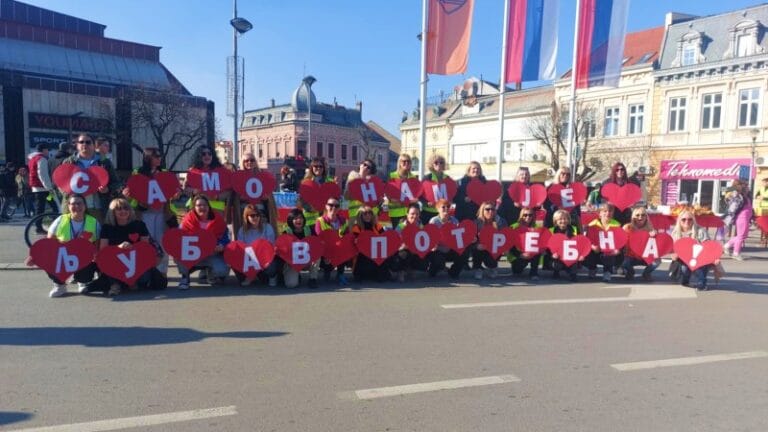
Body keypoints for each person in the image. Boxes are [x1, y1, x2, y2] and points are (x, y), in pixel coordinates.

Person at [25, 194, 100, 297]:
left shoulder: (93, 222)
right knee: (48, 258)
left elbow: (97, 243)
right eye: (73, 204)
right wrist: (34, 257)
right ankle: (59, 285)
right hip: (63, 256)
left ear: (85, 206)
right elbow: (48, 242)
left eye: (79, 203)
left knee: (90, 261)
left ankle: (83, 282)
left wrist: (96, 255)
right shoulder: (61, 220)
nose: (77, 206)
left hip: (82, 256)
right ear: (68, 206)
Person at [122, 148, 178, 275]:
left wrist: (176, 193)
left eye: (160, 156)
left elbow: (172, 190)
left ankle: (161, 272)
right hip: (144, 213)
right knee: (146, 241)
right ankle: (145, 270)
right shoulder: (138, 172)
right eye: (156, 156)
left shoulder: (164, 172)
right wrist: (127, 194)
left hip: (162, 213)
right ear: (148, 158)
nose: (159, 158)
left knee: (162, 241)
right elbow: (132, 190)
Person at [96, 198, 165, 296]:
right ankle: (115, 284)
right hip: (116, 264)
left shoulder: (139, 225)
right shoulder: (107, 228)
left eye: (126, 208)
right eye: (119, 209)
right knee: (106, 260)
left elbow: (146, 248)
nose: (123, 211)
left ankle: (132, 281)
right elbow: (103, 251)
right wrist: (118, 247)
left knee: (145, 280)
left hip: (135, 262)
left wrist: (132, 247)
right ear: (112, 212)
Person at [59, 133, 121, 221]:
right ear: (77, 145)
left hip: (97, 207)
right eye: (81, 142)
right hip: (75, 207)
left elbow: (116, 183)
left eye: (88, 142)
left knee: (97, 233)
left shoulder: (104, 162)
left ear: (93, 145)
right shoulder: (68, 162)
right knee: (75, 234)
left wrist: (108, 189)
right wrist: (68, 193)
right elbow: (60, 184)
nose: (84, 144)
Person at [177, 195, 230, 290]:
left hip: (212, 254)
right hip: (192, 255)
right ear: (194, 208)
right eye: (199, 205)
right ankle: (185, 276)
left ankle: (210, 272)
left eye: (205, 205)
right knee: (178, 253)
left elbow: (225, 238)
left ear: (209, 206)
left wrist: (222, 245)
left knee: (222, 271)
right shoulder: (186, 222)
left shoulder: (218, 220)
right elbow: (178, 239)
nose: (202, 207)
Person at [230, 151, 278, 244]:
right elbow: (234, 198)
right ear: (242, 162)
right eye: (246, 160)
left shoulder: (263, 176)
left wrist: (266, 198)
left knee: (263, 232)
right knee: (245, 234)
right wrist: (239, 199)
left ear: (255, 162)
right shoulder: (238, 178)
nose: (249, 162)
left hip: (261, 212)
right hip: (243, 213)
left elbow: (269, 197)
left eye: (252, 160)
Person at [670, 210, 717, 290]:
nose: (687, 221)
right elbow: (672, 250)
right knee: (684, 269)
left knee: (698, 267)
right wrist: (673, 255)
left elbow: (708, 246)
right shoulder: (675, 233)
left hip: (700, 258)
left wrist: (715, 258)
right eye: (684, 219)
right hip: (683, 259)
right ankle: (685, 280)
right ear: (679, 220)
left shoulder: (700, 231)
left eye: (690, 219)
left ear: (693, 220)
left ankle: (702, 283)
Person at [236, 204, 278, 287]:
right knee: (236, 261)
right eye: (252, 215)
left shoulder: (267, 227)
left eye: (257, 215)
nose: (255, 217)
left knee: (271, 266)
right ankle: (251, 275)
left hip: (265, 257)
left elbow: (271, 247)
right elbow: (241, 248)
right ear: (246, 217)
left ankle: (272, 276)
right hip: (250, 258)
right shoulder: (242, 230)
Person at [184, 145, 231, 220]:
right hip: (198, 210)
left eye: (209, 153)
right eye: (204, 154)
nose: (207, 156)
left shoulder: (222, 171)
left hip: (217, 211)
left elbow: (229, 190)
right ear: (199, 156)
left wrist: (218, 197)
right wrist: (193, 191)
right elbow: (186, 189)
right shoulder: (193, 171)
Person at [428, 198, 469, 279]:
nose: (446, 209)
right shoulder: (434, 221)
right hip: (438, 250)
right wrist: (434, 246)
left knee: (465, 252)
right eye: (443, 207)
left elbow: (459, 236)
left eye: (448, 206)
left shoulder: (454, 220)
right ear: (438, 209)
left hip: (451, 249)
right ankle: (433, 270)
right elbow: (430, 238)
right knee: (436, 263)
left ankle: (453, 272)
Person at [280, 208, 320, 288]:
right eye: (295, 218)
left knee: (317, 254)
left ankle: (313, 278)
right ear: (291, 220)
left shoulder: (310, 230)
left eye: (301, 218)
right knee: (291, 285)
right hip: (292, 263)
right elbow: (282, 251)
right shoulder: (286, 232)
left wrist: (313, 257)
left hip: (307, 260)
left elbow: (316, 245)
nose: (299, 220)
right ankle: (296, 275)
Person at [314, 197, 350, 286]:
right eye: (331, 205)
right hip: (325, 250)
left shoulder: (344, 221)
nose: (333, 208)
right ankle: (327, 271)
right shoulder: (320, 221)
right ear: (326, 206)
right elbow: (319, 239)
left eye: (336, 206)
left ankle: (340, 273)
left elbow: (347, 236)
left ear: (339, 208)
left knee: (345, 248)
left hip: (339, 249)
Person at [585, 203, 621, 281]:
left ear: (613, 213)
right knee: (588, 252)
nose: (607, 213)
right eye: (605, 211)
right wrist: (592, 246)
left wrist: (617, 249)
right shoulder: (592, 225)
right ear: (600, 213)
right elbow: (588, 239)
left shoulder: (617, 226)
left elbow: (619, 240)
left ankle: (607, 271)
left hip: (608, 250)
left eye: (610, 211)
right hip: (596, 249)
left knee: (610, 254)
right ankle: (592, 268)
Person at [621, 207, 659, 281]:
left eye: (643, 215)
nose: (640, 217)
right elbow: (620, 241)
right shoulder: (627, 228)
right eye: (637, 215)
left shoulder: (651, 229)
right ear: (633, 217)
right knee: (623, 262)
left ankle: (646, 273)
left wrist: (654, 237)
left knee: (656, 262)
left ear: (646, 217)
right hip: (630, 256)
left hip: (645, 257)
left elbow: (656, 247)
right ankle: (630, 272)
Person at [393, 203, 429, 282]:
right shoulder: (400, 226)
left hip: (415, 251)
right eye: (412, 214)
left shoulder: (421, 226)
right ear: (407, 214)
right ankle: (401, 271)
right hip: (403, 250)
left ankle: (410, 268)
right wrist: (402, 246)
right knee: (403, 254)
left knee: (424, 261)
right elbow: (394, 243)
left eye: (417, 214)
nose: (415, 216)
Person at [472, 200, 507, 280]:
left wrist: (504, 247)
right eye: (487, 209)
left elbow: (506, 236)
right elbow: (471, 239)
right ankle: (478, 268)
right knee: (477, 249)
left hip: (494, 249)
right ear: (482, 211)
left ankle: (492, 267)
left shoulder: (501, 222)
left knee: (491, 262)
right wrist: (476, 245)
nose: (490, 211)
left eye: (492, 209)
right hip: (481, 249)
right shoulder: (476, 223)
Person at [300, 157, 337, 229]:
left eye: (321, 166)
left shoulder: (330, 182)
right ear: (312, 168)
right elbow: (302, 200)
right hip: (310, 220)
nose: (318, 168)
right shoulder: (306, 182)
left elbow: (335, 200)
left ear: (324, 168)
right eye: (316, 166)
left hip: (325, 219)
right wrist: (312, 209)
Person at [28, 144, 57, 232]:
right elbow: (43, 174)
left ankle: (38, 227)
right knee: (55, 206)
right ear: (44, 150)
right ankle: (55, 226)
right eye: (47, 149)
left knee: (39, 208)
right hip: (44, 189)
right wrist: (49, 188)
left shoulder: (32, 159)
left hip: (37, 188)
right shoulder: (42, 159)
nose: (48, 152)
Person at [508, 207, 541, 280]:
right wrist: (520, 255)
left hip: (532, 253)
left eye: (530, 215)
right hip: (518, 255)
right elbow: (510, 245)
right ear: (521, 216)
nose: (528, 217)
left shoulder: (537, 228)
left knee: (537, 250)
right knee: (517, 271)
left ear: (533, 216)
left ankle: (534, 272)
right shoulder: (514, 227)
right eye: (525, 215)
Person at [723, 179, 752, 261]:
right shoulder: (739, 197)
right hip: (741, 218)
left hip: (746, 218)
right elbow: (733, 207)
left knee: (744, 235)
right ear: (742, 188)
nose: (748, 188)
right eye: (747, 186)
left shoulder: (745, 196)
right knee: (741, 236)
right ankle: (736, 253)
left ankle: (726, 246)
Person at [548, 209, 581, 281]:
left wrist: (581, 255)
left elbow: (581, 243)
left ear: (568, 220)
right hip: (557, 257)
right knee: (555, 264)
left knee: (574, 259)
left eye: (565, 219)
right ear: (555, 221)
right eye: (560, 219)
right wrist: (552, 254)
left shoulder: (575, 229)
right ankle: (556, 272)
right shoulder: (551, 230)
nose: (563, 221)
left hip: (570, 255)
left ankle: (573, 274)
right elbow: (548, 247)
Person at [387, 153, 416, 228]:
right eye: (404, 161)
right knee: (397, 236)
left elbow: (416, 194)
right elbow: (388, 195)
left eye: (408, 161)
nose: (406, 163)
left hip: (409, 213)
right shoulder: (391, 176)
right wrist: (396, 200)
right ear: (399, 163)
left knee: (409, 235)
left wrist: (414, 200)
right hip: (395, 214)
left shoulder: (413, 177)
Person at [420, 154, 451, 225]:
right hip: (428, 212)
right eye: (436, 162)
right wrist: (426, 203)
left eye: (441, 162)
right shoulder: (426, 178)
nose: (439, 164)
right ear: (432, 164)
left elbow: (452, 194)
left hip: (443, 213)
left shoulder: (448, 179)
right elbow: (419, 195)